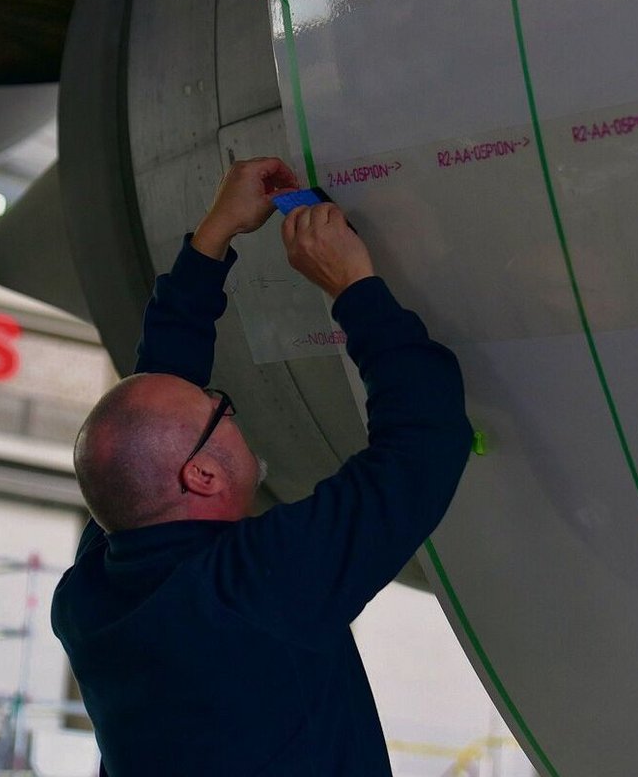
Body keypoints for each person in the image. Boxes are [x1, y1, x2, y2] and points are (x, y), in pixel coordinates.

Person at [51, 157, 472, 776]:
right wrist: (353, 288)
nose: (227, 405)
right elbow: (424, 440)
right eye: (220, 409)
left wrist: (214, 236)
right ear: (201, 476)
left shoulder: (96, 596)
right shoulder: (251, 588)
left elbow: (158, 394)